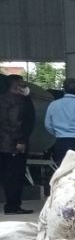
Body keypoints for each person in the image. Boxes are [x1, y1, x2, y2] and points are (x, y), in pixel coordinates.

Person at [0, 75, 35, 214]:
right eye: (21, 84)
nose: (25, 86)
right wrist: (20, 141)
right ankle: (13, 206)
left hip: (4, 144)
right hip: (13, 145)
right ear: (15, 86)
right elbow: (15, 123)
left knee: (8, 176)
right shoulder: (15, 101)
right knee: (15, 176)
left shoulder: (3, 99)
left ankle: (12, 205)